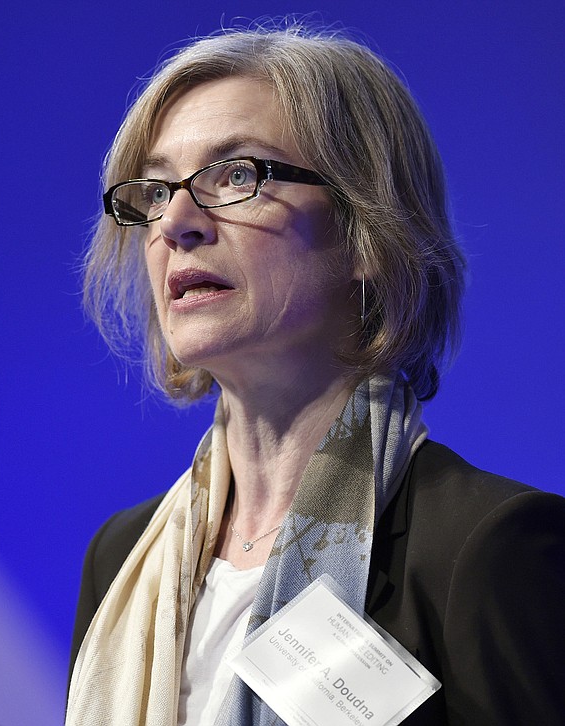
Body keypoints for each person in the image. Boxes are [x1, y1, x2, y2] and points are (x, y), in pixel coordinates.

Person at [67, 25, 565, 726]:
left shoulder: (486, 552)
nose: (176, 221)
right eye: (155, 191)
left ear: (369, 231)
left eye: (237, 175)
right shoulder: (120, 557)